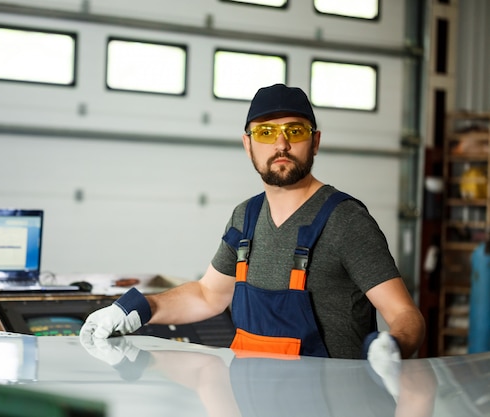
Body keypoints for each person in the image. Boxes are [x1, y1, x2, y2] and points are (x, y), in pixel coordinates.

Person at [80, 83, 425, 360]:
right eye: (265, 133)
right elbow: (207, 295)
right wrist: (139, 308)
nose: (281, 144)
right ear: (247, 144)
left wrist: (395, 345)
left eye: (295, 130)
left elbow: (404, 314)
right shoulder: (245, 217)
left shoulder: (345, 220)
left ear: (315, 141)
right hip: (255, 403)